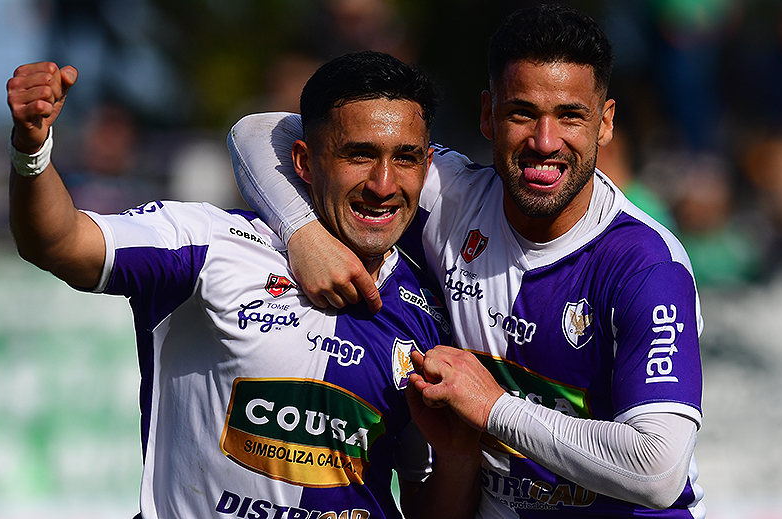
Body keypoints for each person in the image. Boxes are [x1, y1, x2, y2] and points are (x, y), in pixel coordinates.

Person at [228, 4, 705, 518]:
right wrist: (303, 234)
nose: (545, 142)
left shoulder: (645, 266)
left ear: (605, 124)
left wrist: (493, 406)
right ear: (486, 115)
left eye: (570, 116)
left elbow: (659, 471)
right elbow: (261, 131)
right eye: (522, 112)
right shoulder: (451, 197)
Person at [6, 51, 482, 519]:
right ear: (305, 161)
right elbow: (58, 241)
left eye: (406, 159)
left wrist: (461, 456)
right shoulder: (207, 244)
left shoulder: (432, 313)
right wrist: (32, 151)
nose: (383, 184)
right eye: (359, 155)